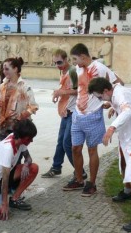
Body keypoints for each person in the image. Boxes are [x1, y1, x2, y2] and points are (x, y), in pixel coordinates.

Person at [88, 77, 131, 232]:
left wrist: (112, 128)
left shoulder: (120, 94)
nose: (100, 100)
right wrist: (113, 106)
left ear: (106, 91)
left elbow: (128, 109)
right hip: (129, 138)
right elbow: (130, 96)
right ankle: (128, 192)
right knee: (124, 164)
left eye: (99, 96)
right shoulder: (117, 92)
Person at [67, 43, 123, 196]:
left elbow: (118, 84)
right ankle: (79, 179)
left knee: (92, 150)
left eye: (75, 59)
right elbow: (80, 89)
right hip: (77, 115)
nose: (74, 62)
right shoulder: (78, 69)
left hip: (93, 115)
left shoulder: (100, 68)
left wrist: (110, 102)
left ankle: (91, 183)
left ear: (83, 57)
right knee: (75, 148)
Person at [0, 119, 39, 220]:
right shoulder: (7, 148)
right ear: (23, 137)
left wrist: (26, 164)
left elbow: (28, 158)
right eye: (30, 138)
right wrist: (4, 204)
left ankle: (14, 198)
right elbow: (5, 179)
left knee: (33, 168)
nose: (32, 141)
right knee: (3, 212)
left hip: (6, 175)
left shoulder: (21, 141)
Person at [41, 49, 83, 183]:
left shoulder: (72, 71)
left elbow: (79, 91)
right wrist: (58, 94)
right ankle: (56, 167)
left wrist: (61, 92)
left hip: (73, 112)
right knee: (61, 142)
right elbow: (65, 90)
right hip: (66, 111)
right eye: (55, 63)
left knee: (66, 143)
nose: (57, 65)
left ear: (66, 60)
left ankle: (80, 172)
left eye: (59, 62)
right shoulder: (63, 71)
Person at [0, 57, 38, 141]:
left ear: (15, 69)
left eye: (7, 69)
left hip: (19, 128)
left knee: (17, 152)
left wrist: (21, 117)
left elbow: (33, 106)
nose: (4, 71)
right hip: (4, 128)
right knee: (5, 151)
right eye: (3, 69)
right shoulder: (2, 86)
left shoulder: (24, 86)